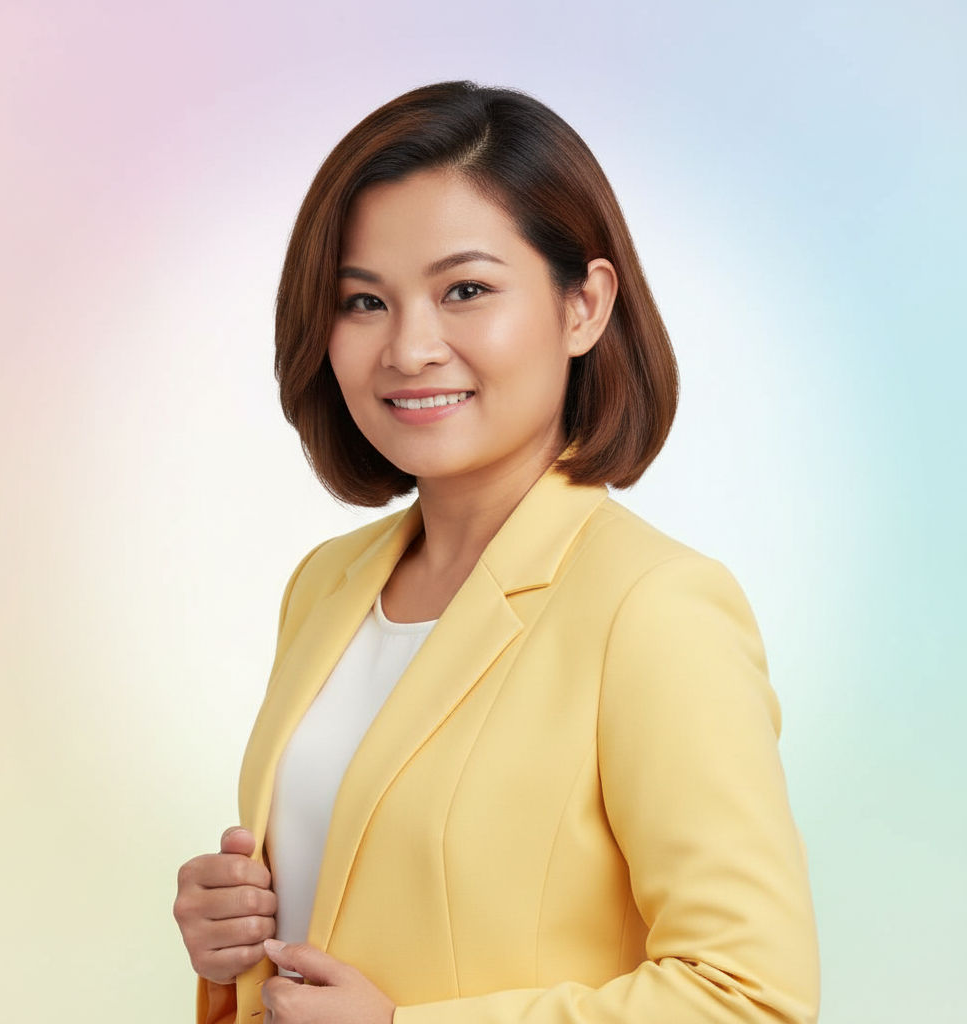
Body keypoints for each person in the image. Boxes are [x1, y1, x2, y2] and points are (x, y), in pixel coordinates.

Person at [173, 80, 820, 1024]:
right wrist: (232, 939)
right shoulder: (325, 588)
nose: (410, 347)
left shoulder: (656, 607)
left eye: (465, 290)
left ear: (583, 308)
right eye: (363, 301)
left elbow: (750, 997)